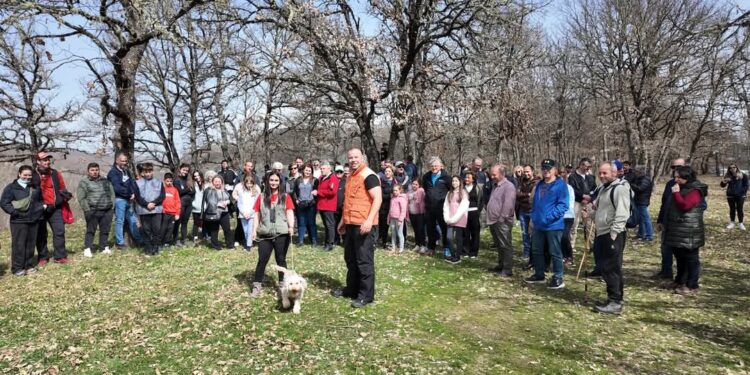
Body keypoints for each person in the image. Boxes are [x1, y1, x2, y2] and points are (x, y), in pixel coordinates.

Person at [333, 148, 382, 309]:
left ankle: (366, 295)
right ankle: (351, 289)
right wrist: (342, 221)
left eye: (356, 157)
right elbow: (348, 202)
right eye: (350, 157)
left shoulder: (369, 175)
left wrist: (369, 220)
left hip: (364, 225)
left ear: (362, 158)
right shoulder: (350, 177)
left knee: (364, 261)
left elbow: (378, 199)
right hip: (350, 224)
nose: (353, 160)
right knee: (351, 259)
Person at [591, 162, 630, 314]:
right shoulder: (603, 189)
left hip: (612, 234)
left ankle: (616, 302)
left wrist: (614, 234)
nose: (601, 176)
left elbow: (622, 213)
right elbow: (601, 209)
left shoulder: (620, 189)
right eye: (600, 173)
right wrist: (592, 214)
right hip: (602, 232)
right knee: (606, 268)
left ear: (614, 173)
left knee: (612, 268)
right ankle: (613, 298)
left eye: (605, 173)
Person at [524, 159, 569, 289]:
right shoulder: (539, 184)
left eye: (549, 168)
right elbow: (535, 202)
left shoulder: (560, 185)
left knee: (554, 251)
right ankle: (539, 274)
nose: (546, 171)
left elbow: (563, 205)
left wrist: (549, 217)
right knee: (536, 250)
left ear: (554, 170)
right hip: (538, 224)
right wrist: (534, 217)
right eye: (544, 168)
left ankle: (558, 277)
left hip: (553, 225)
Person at [663, 166, 708, 296]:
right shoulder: (682, 187)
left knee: (691, 259)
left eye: (678, 177)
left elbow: (685, 206)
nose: (675, 179)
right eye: (675, 176)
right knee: (680, 257)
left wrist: (676, 193)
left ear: (687, 177)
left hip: (690, 232)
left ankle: (692, 285)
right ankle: (680, 281)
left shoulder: (695, 190)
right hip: (678, 230)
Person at [250, 172, 295, 298]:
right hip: (265, 233)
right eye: (271, 180)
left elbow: (289, 212)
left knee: (281, 260)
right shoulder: (261, 196)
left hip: (282, 233)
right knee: (262, 260)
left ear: (279, 182)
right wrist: (254, 230)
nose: (274, 183)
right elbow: (257, 214)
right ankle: (257, 285)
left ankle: (283, 285)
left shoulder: (285, 196)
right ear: (267, 181)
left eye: (276, 180)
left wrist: (291, 226)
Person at [1, 165, 45, 276]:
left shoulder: (35, 187)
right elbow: (4, 203)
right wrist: (15, 213)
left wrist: (40, 210)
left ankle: (28, 265)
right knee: (19, 244)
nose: (27, 177)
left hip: (33, 220)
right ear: (19, 174)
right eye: (25, 175)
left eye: (29, 175)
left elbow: (39, 201)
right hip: (18, 221)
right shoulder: (11, 188)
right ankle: (17, 268)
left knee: (30, 244)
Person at [32, 151, 70, 264]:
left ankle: (60, 256)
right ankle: (43, 257)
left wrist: (63, 197)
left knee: (59, 231)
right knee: (41, 234)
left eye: (48, 159)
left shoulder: (55, 173)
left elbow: (62, 187)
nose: (47, 161)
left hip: (55, 207)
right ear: (38, 161)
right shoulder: (33, 174)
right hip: (40, 209)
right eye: (44, 160)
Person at [655, 158, 686, 279]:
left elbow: (699, 206)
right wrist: (659, 220)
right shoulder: (670, 184)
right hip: (667, 222)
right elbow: (664, 203)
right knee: (665, 248)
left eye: (678, 167)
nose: (675, 170)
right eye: (673, 167)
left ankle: (683, 278)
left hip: (680, 224)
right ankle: (666, 272)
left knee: (680, 252)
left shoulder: (690, 185)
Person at [76, 162, 115, 257]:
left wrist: (112, 206)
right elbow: (81, 197)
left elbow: (112, 193)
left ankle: (104, 247)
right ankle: (88, 249)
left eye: (96, 170)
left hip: (107, 210)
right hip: (93, 210)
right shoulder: (84, 182)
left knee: (105, 229)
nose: (95, 172)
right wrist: (87, 209)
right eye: (92, 170)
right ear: (88, 171)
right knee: (90, 230)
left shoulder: (105, 181)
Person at [107, 152, 142, 250]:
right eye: (122, 161)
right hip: (119, 200)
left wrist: (134, 193)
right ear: (117, 160)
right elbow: (117, 187)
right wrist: (129, 194)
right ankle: (120, 243)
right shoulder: (113, 172)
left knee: (132, 220)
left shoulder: (126, 171)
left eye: (125, 161)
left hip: (129, 200)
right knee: (120, 221)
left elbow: (132, 183)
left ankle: (139, 240)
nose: (124, 163)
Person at [486, 165, 516, 276]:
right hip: (493, 220)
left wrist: (502, 218)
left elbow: (508, 205)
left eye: (494, 174)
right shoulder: (495, 185)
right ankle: (501, 265)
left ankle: (507, 269)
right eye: (491, 174)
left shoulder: (509, 186)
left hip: (502, 221)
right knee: (499, 245)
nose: (492, 176)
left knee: (505, 245)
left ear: (502, 174)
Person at [421, 157, 452, 256]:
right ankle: (431, 248)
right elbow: (426, 189)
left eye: (436, 166)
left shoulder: (446, 177)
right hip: (429, 207)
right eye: (432, 166)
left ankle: (446, 248)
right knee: (430, 228)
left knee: (444, 228)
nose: (434, 167)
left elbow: (451, 190)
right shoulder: (426, 176)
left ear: (441, 166)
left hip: (442, 207)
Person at [134, 163, 166, 256]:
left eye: (150, 171)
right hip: (144, 210)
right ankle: (148, 248)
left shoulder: (159, 182)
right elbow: (138, 197)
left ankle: (155, 247)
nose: (148, 174)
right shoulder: (138, 183)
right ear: (143, 173)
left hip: (157, 209)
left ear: (152, 171)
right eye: (146, 172)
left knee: (156, 229)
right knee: (146, 230)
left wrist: (154, 203)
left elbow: (162, 196)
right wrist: (147, 204)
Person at [568, 158, 595, 256]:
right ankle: (571, 246)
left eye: (589, 167)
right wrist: (582, 196)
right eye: (586, 166)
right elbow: (573, 189)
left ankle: (591, 245)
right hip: (577, 202)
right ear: (581, 165)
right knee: (574, 225)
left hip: (588, 203)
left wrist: (590, 198)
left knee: (589, 225)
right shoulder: (573, 176)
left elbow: (594, 189)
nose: (587, 168)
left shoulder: (591, 177)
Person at [202, 175, 234, 250]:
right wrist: (218, 204)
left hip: (224, 212)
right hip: (214, 213)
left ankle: (230, 245)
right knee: (214, 230)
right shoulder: (209, 190)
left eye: (219, 181)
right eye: (216, 181)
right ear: (213, 182)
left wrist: (227, 202)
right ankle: (215, 246)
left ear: (222, 182)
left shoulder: (224, 190)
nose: (217, 183)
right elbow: (209, 201)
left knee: (227, 229)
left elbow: (230, 199)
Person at [443, 175, 469, 264]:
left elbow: (463, 208)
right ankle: (453, 254)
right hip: (450, 218)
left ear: (460, 182)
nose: (454, 183)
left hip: (459, 218)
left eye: (456, 181)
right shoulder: (449, 193)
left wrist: (455, 218)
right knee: (449, 237)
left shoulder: (463, 193)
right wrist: (447, 217)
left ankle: (457, 256)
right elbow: (446, 206)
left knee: (458, 238)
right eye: (453, 181)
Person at [292, 164, 319, 246]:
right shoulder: (298, 180)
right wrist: (296, 200)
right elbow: (294, 192)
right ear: (303, 170)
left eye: (309, 171)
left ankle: (314, 241)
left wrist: (314, 202)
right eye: (306, 170)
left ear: (312, 172)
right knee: (301, 223)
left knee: (311, 223)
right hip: (300, 204)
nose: (308, 172)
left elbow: (317, 192)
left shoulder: (315, 180)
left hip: (311, 204)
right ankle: (300, 241)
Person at [317, 161, 340, 251]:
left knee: (330, 225)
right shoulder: (322, 178)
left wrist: (319, 192)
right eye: (321, 168)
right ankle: (326, 242)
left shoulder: (333, 178)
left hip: (328, 205)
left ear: (329, 168)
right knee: (326, 226)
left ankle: (330, 244)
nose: (321, 170)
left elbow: (332, 192)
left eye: (323, 168)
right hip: (322, 205)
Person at [235, 173, 261, 251]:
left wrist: (250, 213)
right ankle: (248, 242)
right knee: (245, 230)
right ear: (245, 183)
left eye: (251, 183)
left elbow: (256, 204)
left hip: (252, 215)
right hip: (243, 214)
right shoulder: (241, 192)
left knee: (250, 230)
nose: (249, 185)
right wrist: (243, 213)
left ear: (253, 183)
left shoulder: (255, 192)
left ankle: (248, 246)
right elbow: (239, 204)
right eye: (247, 183)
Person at [516, 165, 537, 261]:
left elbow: (533, 196)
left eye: (528, 171)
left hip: (533, 210)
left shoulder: (537, 182)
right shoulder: (521, 181)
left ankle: (534, 252)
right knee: (524, 233)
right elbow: (517, 194)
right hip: (522, 209)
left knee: (533, 232)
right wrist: (527, 194)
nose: (526, 173)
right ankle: (526, 252)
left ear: (532, 171)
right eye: (524, 172)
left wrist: (526, 195)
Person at [721, 164, 748, 230]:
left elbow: (746, 185)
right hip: (730, 195)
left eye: (734, 167)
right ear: (729, 169)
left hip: (740, 195)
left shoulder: (743, 175)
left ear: (737, 168)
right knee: (732, 209)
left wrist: (742, 192)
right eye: (730, 168)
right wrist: (724, 182)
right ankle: (732, 223)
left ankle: (741, 223)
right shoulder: (728, 176)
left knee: (740, 209)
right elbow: (722, 185)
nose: (732, 169)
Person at [463, 171, 484, 258]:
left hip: (474, 212)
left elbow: (481, 200)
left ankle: (474, 252)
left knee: (475, 233)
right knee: (465, 232)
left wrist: (478, 211)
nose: (466, 179)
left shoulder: (478, 188)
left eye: (469, 177)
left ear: (473, 179)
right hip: (464, 213)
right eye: (465, 177)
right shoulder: (462, 188)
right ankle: (465, 251)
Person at [631, 165, 654, 241]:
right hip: (638, 200)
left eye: (636, 172)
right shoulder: (638, 178)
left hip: (643, 201)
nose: (635, 173)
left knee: (645, 219)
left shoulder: (646, 179)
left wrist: (631, 185)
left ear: (640, 172)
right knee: (640, 219)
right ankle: (641, 234)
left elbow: (640, 188)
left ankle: (649, 235)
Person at [173, 164, 193, 247]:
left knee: (185, 222)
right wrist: (188, 189)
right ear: (180, 169)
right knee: (177, 222)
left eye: (187, 170)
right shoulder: (176, 180)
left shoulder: (188, 180)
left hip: (189, 204)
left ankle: (184, 239)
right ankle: (175, 239)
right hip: (180, 203)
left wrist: (187, 190)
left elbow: (193, 191)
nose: (185, 172)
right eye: (184, 170)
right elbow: (179, 192)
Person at [559, 168, 576, 267]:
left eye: (563, 174)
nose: (561, 176)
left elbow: (570, 204)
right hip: (557, 216)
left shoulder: (569, 188)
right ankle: (561, 256)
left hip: (567, 216)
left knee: (564, 236)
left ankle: (569, 256)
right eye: (559, 174)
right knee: (558, 237)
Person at [161, 173, 181, 247]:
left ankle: (167, 242)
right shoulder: (162, 189)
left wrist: (177, 213)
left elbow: (178, 202)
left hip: (173, 213)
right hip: (164, 213)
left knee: (170, 228)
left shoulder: (175, 190)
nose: (169, 183)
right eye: (167, 181)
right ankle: (161, 242)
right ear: (164, 181)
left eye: (170, 181)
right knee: (163, 228)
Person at [378, 166, 396, 249]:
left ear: (392, 172)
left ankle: (394, 242)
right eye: (386, 171)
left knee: (392, 226)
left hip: (393, 207)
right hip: (383, 207)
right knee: (383, 225)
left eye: (389, 171)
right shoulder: (381, 182)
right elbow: (380, 195)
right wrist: (390, 195)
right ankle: (383, 241)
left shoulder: (395, 182)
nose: (387, 173)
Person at [388, 184, 408, 253]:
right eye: (394, 190)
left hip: (399, 219)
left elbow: (403, 210)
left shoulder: (402, 199)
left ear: (400, 190)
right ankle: (393, 247)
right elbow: (390, 210)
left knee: (400, 234)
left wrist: (400, 220)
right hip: (392, 219)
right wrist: (388, 219)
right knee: (393, 234)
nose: (395, 192)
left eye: (396, 190)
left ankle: (401, 248)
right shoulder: (392, 199)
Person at [408, 180, 427, 253]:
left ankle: (423, 245)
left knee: (420, 230)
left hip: (420, 214)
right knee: (415, 230)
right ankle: (417, 244)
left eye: (416, 184)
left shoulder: (421, 191)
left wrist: (415, 196)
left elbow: (420, 201)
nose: (414, 185)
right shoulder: (409, 192)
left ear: (419, 185)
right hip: (412, 213)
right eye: (413, 184)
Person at [189, 170, 205, 243]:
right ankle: (195, 236)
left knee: (205, 222)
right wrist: (193, 204)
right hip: (195, 207)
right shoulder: (192, 185)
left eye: (198, 175)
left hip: (204, 207)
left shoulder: (205, 184)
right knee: (196, 223)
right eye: (195, 176)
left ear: (201, 175)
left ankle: (205, 235)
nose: (197, 177)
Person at [334, 164, 348, 246]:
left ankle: (344, 239)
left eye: (341, 172)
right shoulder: (333, 180)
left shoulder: (345, 182)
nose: (339, 173)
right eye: (337, 172)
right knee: (335, 224)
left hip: (343, 207)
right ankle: (336, 240)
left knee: (343, 224)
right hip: (334, 207)